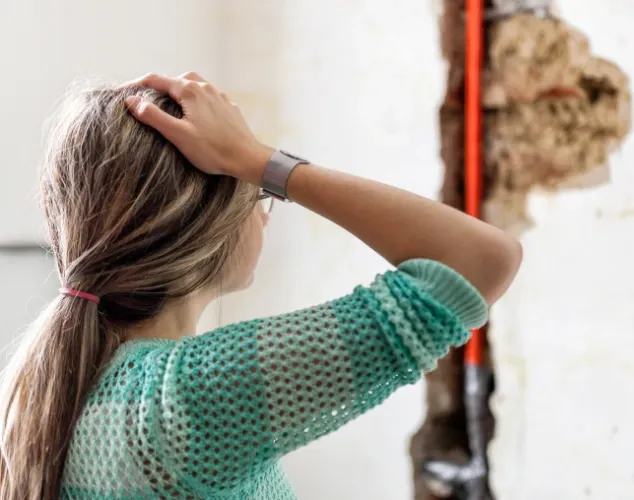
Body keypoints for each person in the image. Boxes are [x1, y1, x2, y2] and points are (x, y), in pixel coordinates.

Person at [0, 72, 522, 499]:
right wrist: (256, 160)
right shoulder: (188, 400)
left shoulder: (33, 389)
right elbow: (480, 261)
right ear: (202, 227)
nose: (266, 215)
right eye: (260, 197)